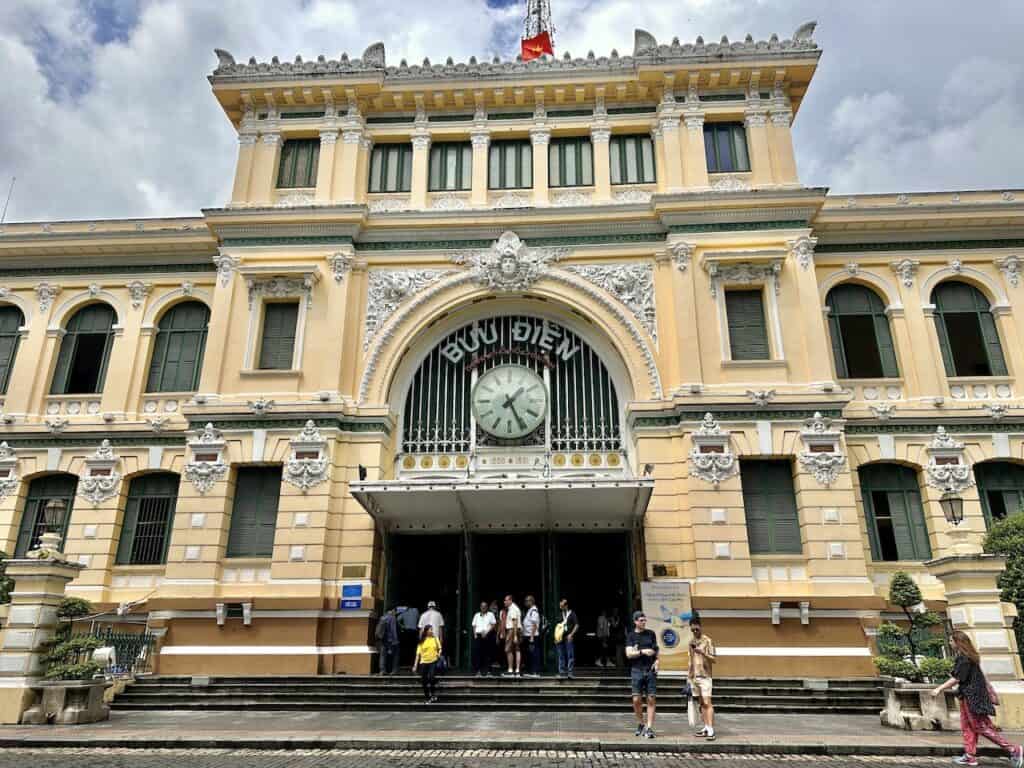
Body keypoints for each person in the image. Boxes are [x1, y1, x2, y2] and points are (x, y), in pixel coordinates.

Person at [931, 630, 1023, 767]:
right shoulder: (966, 657)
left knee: (981, 727)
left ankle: (1013, 749)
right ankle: (970, 756)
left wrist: (939, 688)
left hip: (972, 697)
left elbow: (957, 678)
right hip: (966, 695)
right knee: (967, 727)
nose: (949, 643)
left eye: (951, 641)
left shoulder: (965, 658)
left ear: (958, 642)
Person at [625, 610, 659, 739]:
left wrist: (657, 662)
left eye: (645, 620)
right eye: (641, 620)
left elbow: (656, 651)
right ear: (635, 622)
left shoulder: (651, 634)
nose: (644, 622)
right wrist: (642, 652)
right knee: (636, 699)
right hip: (637, 670)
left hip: (650, 670)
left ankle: (649, 727)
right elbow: (628, 654)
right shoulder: (631, 636)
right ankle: (640, 723)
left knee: (651, 698)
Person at [688, 619, 716, 741]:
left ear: (701, 627)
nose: (695, 631)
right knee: (701, 704)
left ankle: (711, 729)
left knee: (707, 702)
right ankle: (705, 727)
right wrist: (689, 676)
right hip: (695, 677)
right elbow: (691, 660)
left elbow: (714, 659)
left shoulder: (707, 641)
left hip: (705, 676)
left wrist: (703, 652)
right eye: (692, 629)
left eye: (696, 629)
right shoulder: (691, 642)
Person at [412, 625, 442, 703]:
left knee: (432, 678)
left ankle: (433, 694)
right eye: (430, 630)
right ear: (426, 631)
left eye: (432, 629)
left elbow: (440, 648)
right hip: (423, 662)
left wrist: (439, 653)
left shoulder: (435, 639)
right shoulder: (422, 641)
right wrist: (415, 665)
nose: (431, 631)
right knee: (423, 681)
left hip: (433, 661)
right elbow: (418, 654)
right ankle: (427, 696)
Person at [471, 601, 496, 677]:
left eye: (485, 606)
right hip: (478, 636)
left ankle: (488, 671)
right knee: (477, 654)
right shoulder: (476, 615)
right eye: (482, 606)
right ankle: (478, 671)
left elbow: (493, 624)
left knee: (488, 654)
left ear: (487, 607)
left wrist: (487, 632)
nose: (483, 607)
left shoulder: (490, 615)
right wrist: (475, 634)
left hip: (488, 636)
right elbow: (474, 625)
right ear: (480, 607)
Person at [555, 598, 578, 680]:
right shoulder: (559, 614)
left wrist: (571, 634)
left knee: (570, 655)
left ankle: (570, 673)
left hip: (568, 637)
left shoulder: (572, 614)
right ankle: (561, 673)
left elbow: (576, 625)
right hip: (560, 637)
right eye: (560, 606)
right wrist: (556, 637)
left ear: (566, 605)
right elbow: (557, 626)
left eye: (562, 606)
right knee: (561, 655)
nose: (560, 607)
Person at [375, 607, 400, 675]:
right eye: (395, 611)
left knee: (383, 655)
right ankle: (394, 670)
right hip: (391, 640)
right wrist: (395, 641)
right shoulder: (392, 618)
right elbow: (393, 630)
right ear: (392, 610)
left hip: (383, 640)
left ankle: (382, 670)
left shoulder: (382, 618)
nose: (396, 613)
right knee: (395, 656)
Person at [502, 594, 522, 678]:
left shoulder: (513, 609)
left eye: (506, 600)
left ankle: (510, 670)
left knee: (508, 649)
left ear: (510, 601)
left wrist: (514, 636)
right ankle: (517, 670)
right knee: (517, 649)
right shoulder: (515, 608)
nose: (504, 602)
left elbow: (515, 622)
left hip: (512, 630)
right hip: (516, 630)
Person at [522, 594, 542, 678]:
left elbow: (534, 625)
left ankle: (535, 672)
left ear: (531, 601)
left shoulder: (534, 611)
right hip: (528, 636)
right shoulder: (530, 610)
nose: (525, 602)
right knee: (529, 654)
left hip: (532, 636)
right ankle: (531, 671)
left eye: (527, 601)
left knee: (533, 653)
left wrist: (532, 637)